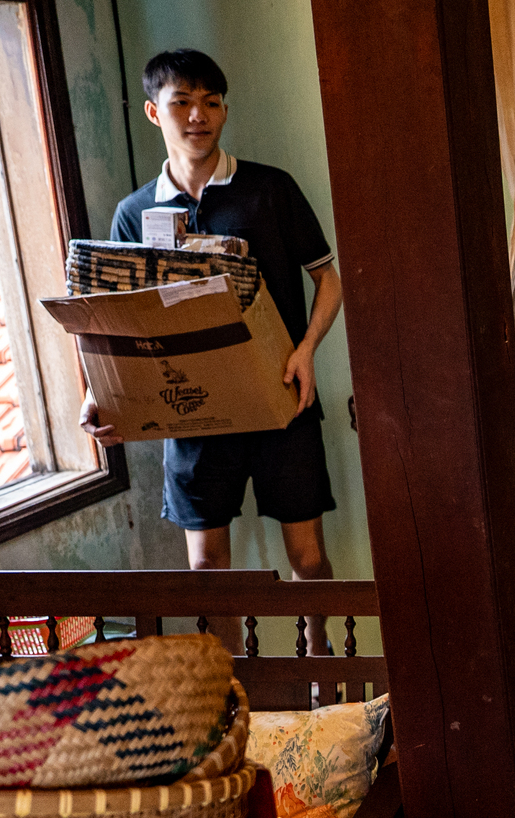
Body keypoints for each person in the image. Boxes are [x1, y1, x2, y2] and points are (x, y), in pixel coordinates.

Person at [85, 49, 344, 598]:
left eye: (211, 102)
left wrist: (306, 350)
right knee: (206, 570)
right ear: (154, 112)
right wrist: (99, 392)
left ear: (225, 110)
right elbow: (119, 318)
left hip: (282, 397)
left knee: (308, 558)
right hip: (191, 410)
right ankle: (221, 660)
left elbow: (329, 279)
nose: (198, 115)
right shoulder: (134, 213)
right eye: (182, 102)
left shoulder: (270, 189)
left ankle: (319, 655)